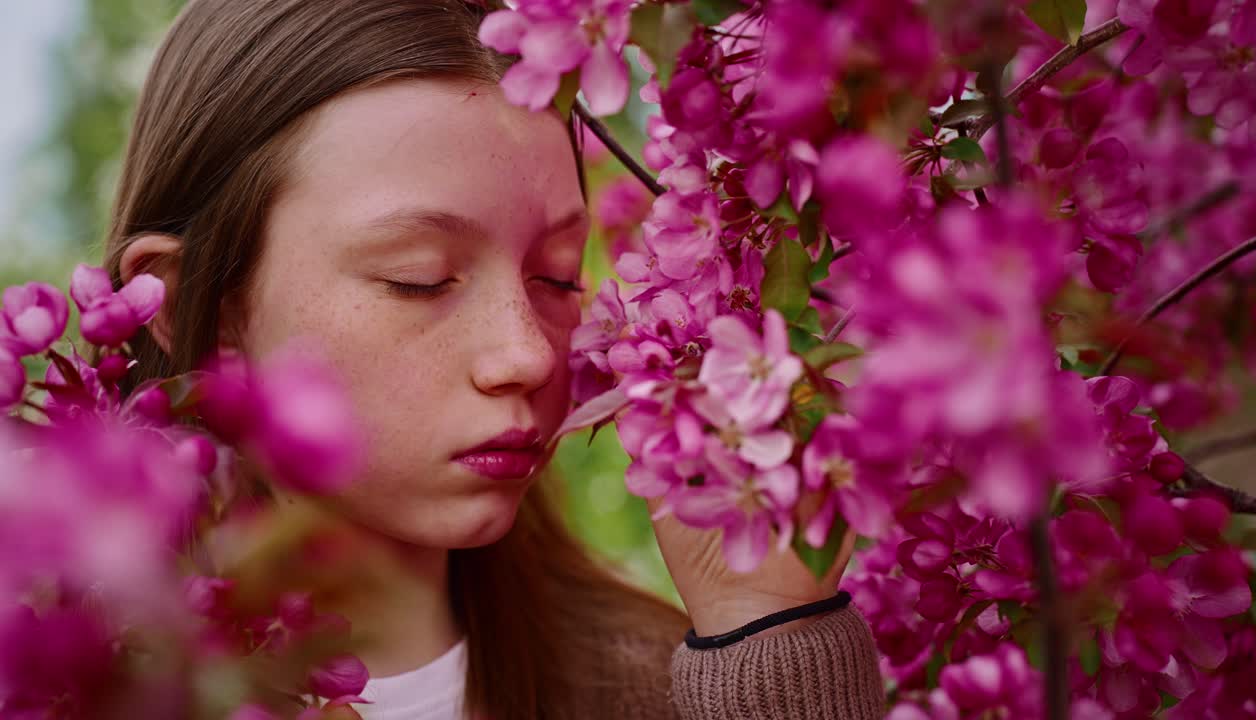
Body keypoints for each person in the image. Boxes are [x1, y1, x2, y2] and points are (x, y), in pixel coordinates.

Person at [107, 0, 885, 717]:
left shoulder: (660, 687)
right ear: (192, 309)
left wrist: (767, 637)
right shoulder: (74, 679)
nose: (529, 356)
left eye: (557, 274)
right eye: (418, 279)